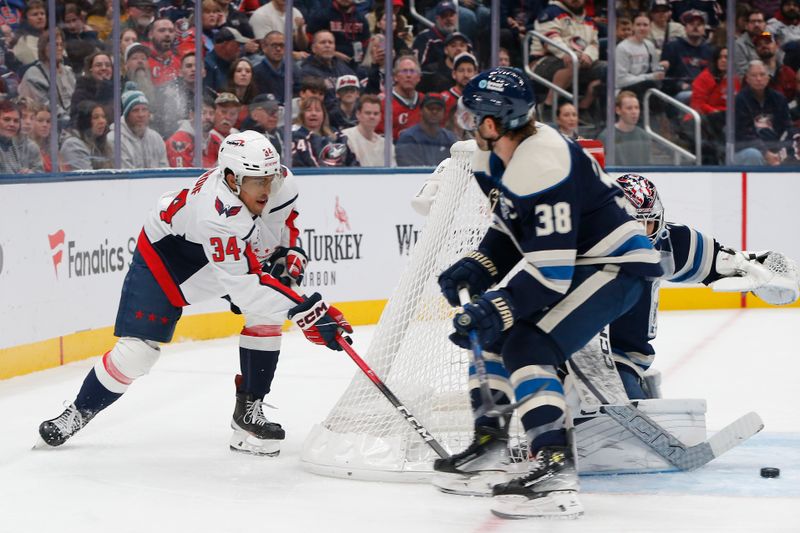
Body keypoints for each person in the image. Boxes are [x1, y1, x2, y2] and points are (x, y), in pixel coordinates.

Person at [430, 67, 662, 519]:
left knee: (526, 344)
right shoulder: (493, 156)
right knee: (498, 338)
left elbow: (550, 272)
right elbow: (510, 231)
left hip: (615, 266)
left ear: (494, 123)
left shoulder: (544, 161)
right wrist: (475, 269)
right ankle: (489, 445)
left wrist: (494, 307)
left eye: (473, 115)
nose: (467, 121)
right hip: (579, 261)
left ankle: (555, 468)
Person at [37, 130, 353, 457]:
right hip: (170, 260)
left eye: (270, 178)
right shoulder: (217, 214)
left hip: (228, 254)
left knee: (269, 311)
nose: (268, 188)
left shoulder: (279, 184)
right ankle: (78, 411)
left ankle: (248, 415)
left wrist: (289, 255)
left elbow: (282, 226)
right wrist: (310, 312)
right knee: (137, 354)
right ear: (232, 179)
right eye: (257, 181)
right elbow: (245, 289)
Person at [611, 173, 797, 397]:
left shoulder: (668, 241)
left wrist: (757, 268)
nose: (641, 232)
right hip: (571, 350)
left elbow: (722, 262)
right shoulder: (582, 240)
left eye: (648, 223)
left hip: (621, 357)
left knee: (621, 393)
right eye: (633, 223)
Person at [530, 0, 604, 113]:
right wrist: (569, 53)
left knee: (606, 69)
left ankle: (583, 109)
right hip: (542, 62)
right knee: (573, 61)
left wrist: (588, 55)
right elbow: (550, 39)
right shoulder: (551, 13)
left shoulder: (589, 21)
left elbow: (594, 44)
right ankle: (547, 107)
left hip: (579, 61)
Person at [734, 60, 791, 166]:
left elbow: (787, 129)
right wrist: (765, 152)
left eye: (762, 74)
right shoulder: (740, 100)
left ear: (768, 77)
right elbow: (744, 134)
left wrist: (781, 150)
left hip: (775, 148)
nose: (759, 79)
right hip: (747, 150)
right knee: (753, 155)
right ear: (747, 79)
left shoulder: (779, 99)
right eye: (754, 75)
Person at [17, 29, 76, 126]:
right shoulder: (34, 74)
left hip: (72, 122)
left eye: (61, 45)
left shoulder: (68, 71)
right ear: (44, 48)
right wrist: (70, 120)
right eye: (55, 45)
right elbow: (44, 104)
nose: (60, 48)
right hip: (47, 123)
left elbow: (76, 99)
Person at [108, 82, 168, 169]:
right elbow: (126, 176)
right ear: (126, 115)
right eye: (135, 110)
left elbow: (165, 170)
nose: (141, 115)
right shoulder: (114, 139)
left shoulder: (156, 138)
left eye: (144, 110)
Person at [660, 9, 712, 103]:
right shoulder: (672, 46)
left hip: (704, 91)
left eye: (699, 24)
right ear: (685, 27)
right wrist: (680, 85)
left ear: (704, 28)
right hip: (678, 94)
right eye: (691, 24)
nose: (695, 27)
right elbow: (663, 76)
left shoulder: (710, 50)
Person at [291, 95, 358, 167]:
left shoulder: (337, 136)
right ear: (302, 115)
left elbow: (351, 162)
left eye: (317, 110)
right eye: (309, 110)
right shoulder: (296, 137)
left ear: (324, 114)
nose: (313, 113)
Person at [615, 12, 668, 101]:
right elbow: (620, 80)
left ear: (650, 27)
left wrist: (662, 67)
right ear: (632, 27)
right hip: (626, 89)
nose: (642, 28)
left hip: (646, 86)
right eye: (638, 25)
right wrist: (648, 77)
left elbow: (655, 69)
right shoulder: (622, 48)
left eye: (645, 25)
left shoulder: (649, 45)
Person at [395, 94, 457, 166]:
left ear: (444, 113)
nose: (434, 112)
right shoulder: (408, 137)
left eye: (439, 109)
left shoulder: (449, 137)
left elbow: (456, 166)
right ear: (421, 111)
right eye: (430, 108)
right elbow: (410, 170)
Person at [376, 54, 425, 141]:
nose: (408, 75)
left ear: (419, 77)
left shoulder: (425, 101)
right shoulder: (383, 103)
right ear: (395, 77)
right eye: (404, 71)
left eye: (412, 71)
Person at [307, 0, 371, 65]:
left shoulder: (361, 19)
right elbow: (310, 42)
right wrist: (332, 53)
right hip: (326, 63)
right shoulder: (322, 15)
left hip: (354, 64)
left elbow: (365, 43)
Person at [599, 91, 653, 166]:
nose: (634, 112)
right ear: (618, 110)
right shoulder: (605, 136)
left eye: (636, 108)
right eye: (629, 108)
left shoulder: (644, 136)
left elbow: (648, 166)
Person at [341, 93, 393, 166]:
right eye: (368, 113)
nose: (372, 116)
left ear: (380, 116)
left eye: (376, 113)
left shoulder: (386, 144)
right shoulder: (345, 137)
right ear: (358, 114)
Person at [60, 100, 112, 171]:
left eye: (103, 117)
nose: (102, 121)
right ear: (85, 121)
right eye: (96, 117)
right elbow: (87, 178)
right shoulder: (73, 145)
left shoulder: (103, 143)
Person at [252, 31, 302, 104]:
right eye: (274, 45)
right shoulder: (256, 72)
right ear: (264, 47)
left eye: (282, 45)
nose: (278, 49)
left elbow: (299, 92)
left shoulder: (293, 69)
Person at [69, 51, 113, 127]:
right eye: (98, 65)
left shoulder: (118, 90)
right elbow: (75, 123)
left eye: (108, 65)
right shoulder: (80, 93)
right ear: (90, 69)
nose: (104, 68)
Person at [0, 99, 43, 174]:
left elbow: (40, 174)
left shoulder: (15, 145)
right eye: (6, 119)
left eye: (16, 121)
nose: (12, 124)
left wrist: (30, 174)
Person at [413, 1, 459, 69]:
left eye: (451, 15)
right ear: (437, 19)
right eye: (444, 16)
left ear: (456, 17)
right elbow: (419, 68)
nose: (449, 19)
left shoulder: (461, 39)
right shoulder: (424, 38)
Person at [205, 26, 248, 95]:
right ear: (225, 44)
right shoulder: (207, 66)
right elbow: (206, 96)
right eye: (238, 44)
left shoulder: (232, 65)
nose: (240, 49)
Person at [204, 92, 242, 167]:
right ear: (214, 112)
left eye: (233, 114)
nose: (228, 117)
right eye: (223, 112)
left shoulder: (237, 134)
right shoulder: (206, 136)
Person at [241, 93, 284, 158]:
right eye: (270, 111)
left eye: (277, 111)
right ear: (254, 114)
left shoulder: (281, 135)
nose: (275, 116)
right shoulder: (244, 139)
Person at [146, 17, 179, 87]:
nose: (167, 34)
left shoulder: (179, 61)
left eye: (171, 31)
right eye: (162, 30)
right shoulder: (142, 60)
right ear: (150, 35)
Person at [735, 10, 769, 76]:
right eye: (753, 22)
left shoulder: (770, 39)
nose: (756, 25)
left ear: (765, 24)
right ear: (746, 25)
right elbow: (742, 72)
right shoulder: (738, 44)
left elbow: (779, 62)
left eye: (759, 21)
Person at [225, 58, 257, 128]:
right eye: (239, 71)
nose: (243, 74)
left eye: (248, 71)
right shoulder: (224, 99)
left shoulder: (255, 101)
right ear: (232, 75)